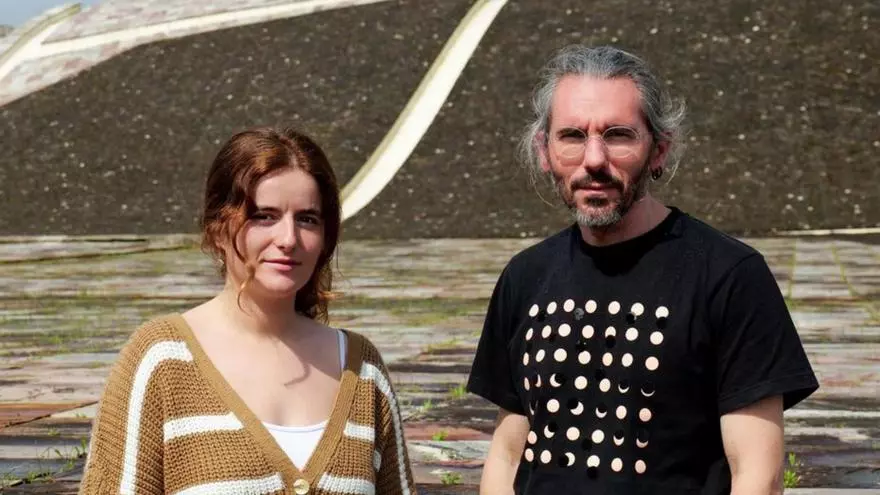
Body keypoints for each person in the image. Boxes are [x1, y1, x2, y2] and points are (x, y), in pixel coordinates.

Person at [466, 45, 818, 495]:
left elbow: (758, 475)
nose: (594, 159)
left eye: (618, 135)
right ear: (544, 151)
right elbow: (508, 454)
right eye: (572, 135)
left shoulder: (730, 275)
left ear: (658, 151)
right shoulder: (525, 276)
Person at [80, 127, 415, 495]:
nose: (288, 239)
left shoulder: (362, 370)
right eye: (264, 216)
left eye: (307, 219)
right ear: (218, 228)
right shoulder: (161, 361)